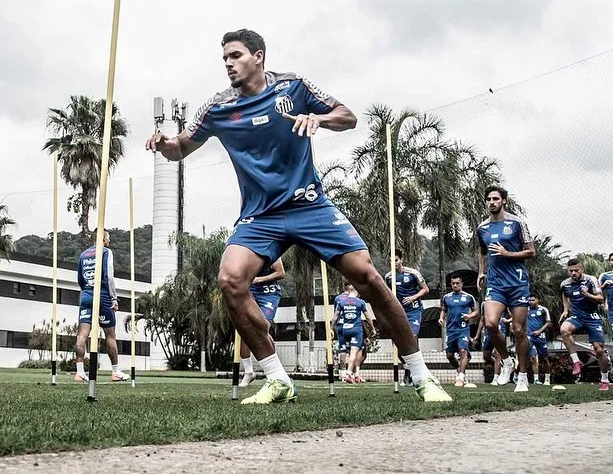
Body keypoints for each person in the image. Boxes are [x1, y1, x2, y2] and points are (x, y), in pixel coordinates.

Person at [147, 29, 449, 403]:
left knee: (368, 275)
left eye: (236, 55)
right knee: (230, 279)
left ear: (258, 56)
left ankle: (422, 376)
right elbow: (180, 148)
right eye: (224, 57)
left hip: (309, 206)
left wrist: (318, 120)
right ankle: (276, 378)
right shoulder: (218, 107)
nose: (228, 63)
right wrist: (164, 143)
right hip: (260, 217)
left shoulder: (293, 86)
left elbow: (348, 116)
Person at [476, 185, 535, 393]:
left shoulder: (517, 223)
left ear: (503, 201)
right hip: (496, 284)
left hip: (518, 283)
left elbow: (531, 252)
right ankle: (507, 361)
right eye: (489, 199)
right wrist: (481, 272)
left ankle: (522, 377)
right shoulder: (482, 227)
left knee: (519, 331)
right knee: (491, 324)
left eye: (496, 199)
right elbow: (482, 251)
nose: (492, 202)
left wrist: (507, 254)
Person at [74, 230, 129, 382]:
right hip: (103, 296)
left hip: (85, 296)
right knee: (110, 335)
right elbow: (109, 276)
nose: (109, 240)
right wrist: (114, 298)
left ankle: (79, 372)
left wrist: (86, 291)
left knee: (82, 335)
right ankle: (115, 371)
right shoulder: (106, 252)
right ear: (104, 238)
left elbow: (80, 279)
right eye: (108, 237)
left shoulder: (83, 255)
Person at [559, 258, 609, 391]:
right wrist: (565, 310)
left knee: (599, 350)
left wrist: (587, 294)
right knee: (564, 329)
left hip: (593, 317)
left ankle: (604, 379)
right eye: (571, 271)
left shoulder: (590, 280)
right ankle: (576, 362)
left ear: (582, 270)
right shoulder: (565, 284)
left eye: (576, 270)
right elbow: (565, 295)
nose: (573, 273)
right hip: (577, 317)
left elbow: (600, 299)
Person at [385, 251, 429, 386]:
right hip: (398, 313)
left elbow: (425, 289)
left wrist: (413, 297)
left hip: (413, 311)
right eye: (392, 260)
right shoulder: (388, 277)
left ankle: (417, 368)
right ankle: (407, 369)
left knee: (413, 336)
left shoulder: (412, 273)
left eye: (396, 260)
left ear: (401, 260)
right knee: (396, 344)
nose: (394, 263)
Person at [239, 259, 284, 387]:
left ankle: (273, 372)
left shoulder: (272, 252)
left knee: (262, 330)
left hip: (269, 294)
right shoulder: (243, 253)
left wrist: (258, 279)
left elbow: (280, 273)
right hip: (250, 292)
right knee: (244, 331)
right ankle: (248, 372)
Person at [439, 275, 477, 386]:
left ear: (461, 284)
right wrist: (441, 318)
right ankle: (459, 369)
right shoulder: (446, 297)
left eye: (457, 283)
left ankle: (461, 376)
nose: (455, 285)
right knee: (449, 355)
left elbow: (475, 312)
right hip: (450, 330)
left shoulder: (469, 297)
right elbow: (443, 310)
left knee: (463, 351)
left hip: (463, 329)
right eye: (453, 283)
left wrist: (469, 316)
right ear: (451, 284)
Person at [333, 284, 372, 383]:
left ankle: (344, 374)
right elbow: (368, 317)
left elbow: (335, 316)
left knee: (343, 351)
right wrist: (372, 328)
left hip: (343, 328)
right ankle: (350, 373)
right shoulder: (360, 302)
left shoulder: (340, 301)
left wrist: (330, 328)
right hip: (355, 329)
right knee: (354, 352)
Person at [472, 301, 508, 386]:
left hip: (500, 330)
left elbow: (511, 315)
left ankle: (495, 378)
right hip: (488, 332)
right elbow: (482, 319)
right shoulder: (484, 303)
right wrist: (477, 335)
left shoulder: (503, 300)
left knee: (497, 354)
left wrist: (508, 321)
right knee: (486, 356)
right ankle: (502, 366)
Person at [526, 293, 552, 385]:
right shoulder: (526, 310)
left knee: (544, 358)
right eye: (529, 300)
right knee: (533, 357)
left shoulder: (543, 309)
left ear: (537, 300)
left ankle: (547, 379)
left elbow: (548, 323)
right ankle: (536, 379)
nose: (531, 302)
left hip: (541, 337)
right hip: (529, 336)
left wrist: (539, 331)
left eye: (533, 300)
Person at [599, 252, 613, 334]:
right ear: (609, 262)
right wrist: (604, 285)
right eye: (612, 260)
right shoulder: (605, 276)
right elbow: (595, 291)